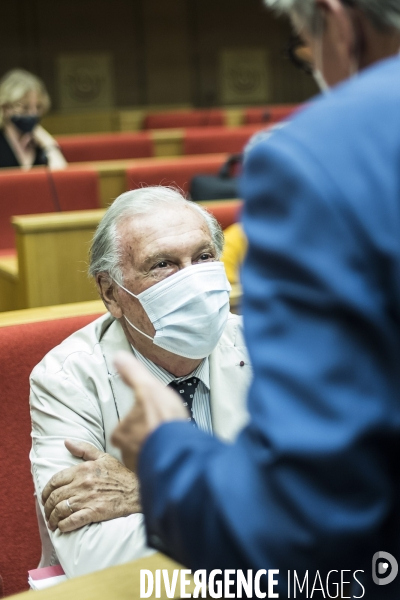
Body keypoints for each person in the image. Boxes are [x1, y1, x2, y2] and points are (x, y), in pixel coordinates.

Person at [110, 1, 400, 597]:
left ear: (336, 21)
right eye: (162, 264)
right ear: (110, 294)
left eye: (304, 44)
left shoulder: (320, 156)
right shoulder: (69, 369)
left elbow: (297, 524)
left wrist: (163, 451)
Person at [29, 186, 251, 578]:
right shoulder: (65, 379)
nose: (195, 282)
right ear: (110, 292)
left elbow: (323, 497)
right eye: (163, 264)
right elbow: (95, 556)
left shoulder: (266, 347)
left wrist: (153, 492)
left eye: (203, 257)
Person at [0, 69, 66, 169]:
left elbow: (61, 178)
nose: (33, 113)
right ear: (6, 108)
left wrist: (48, 143)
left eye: (38, 107)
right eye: (25, 107)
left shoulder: (40, 144)